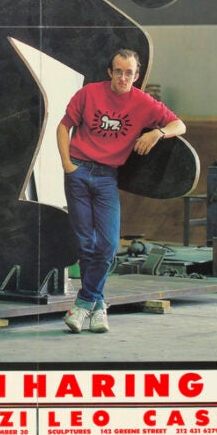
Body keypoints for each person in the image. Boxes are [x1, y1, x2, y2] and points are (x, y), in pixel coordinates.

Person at [56, 49, 186, 333]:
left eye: (129, 73)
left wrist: (157, 132)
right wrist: (67, 165)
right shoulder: (89, 94)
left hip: (106, 178)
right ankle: (97, 307)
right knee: (85, 244)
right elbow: (63, 127)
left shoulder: (143, 103)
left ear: (136, 76)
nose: (123, 77)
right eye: (118, 71)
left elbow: (180, 125)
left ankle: (86, 303)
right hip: (78, 171)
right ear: (110, 72)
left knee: (108, 245)